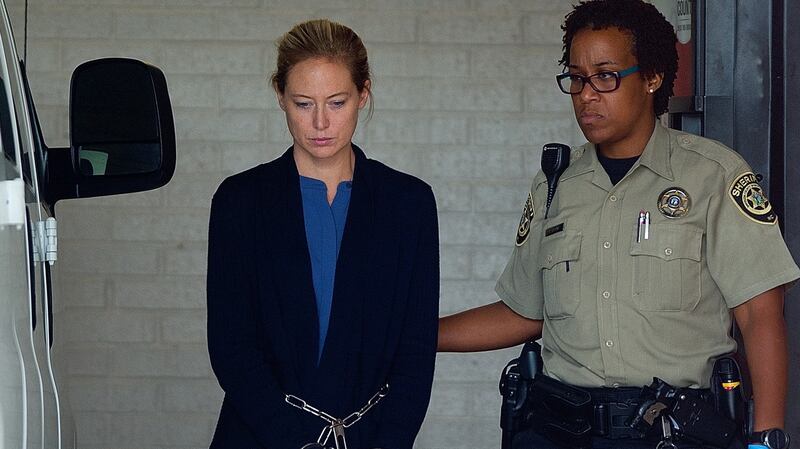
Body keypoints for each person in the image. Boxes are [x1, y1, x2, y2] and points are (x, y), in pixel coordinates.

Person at [438, 1, 799, 448]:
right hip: (559, 429)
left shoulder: (713, 177)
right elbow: (524, 313)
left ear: (652, 77)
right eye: (575, 78)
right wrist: (415, 336)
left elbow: (759, 315)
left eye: (606, 76)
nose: (587, 94)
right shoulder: (555, 185)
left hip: (672, 431)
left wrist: (765, 439)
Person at [206, 19, 439, 449]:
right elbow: (230, 347)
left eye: (336, 102)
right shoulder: (239, 201)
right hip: (257, 438)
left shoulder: (410, 204)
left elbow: (416, 352)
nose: (319, 123)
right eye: (302, 103)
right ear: (279, 95)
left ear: (363, 94)